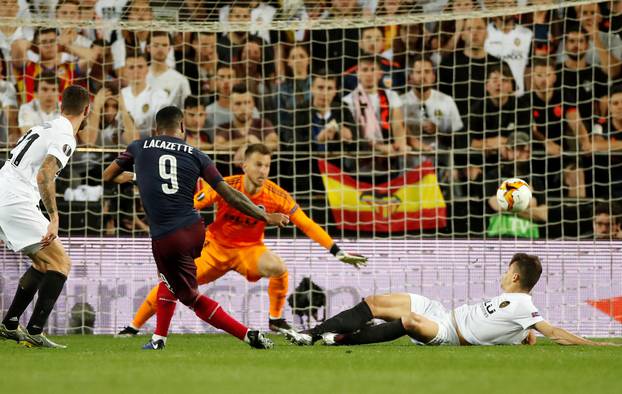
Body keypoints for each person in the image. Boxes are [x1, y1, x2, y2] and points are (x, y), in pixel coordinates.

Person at [116, 143, 367, 338]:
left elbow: (307, 224)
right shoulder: (225, 185)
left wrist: (337, 251)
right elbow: (192, 203)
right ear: (244, 165)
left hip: (249, 250)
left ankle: (275, 319)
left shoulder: (277, 195)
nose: (263, 171)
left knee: (279, 268)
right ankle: (133, 326)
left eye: (267, 166)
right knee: (171, 282)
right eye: (258, 164)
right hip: (214, 248)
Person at [102, 106, 289, 350]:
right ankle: (159, 339)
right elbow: (230, 195)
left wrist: (138, 176)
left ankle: (249, 335)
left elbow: (107, 175)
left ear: (155, 130)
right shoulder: (196, 154)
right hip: (195, 229)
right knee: (170, 282)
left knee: (190, 297)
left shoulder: (139, 146)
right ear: (182, 127)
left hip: (166, 235)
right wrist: (264, 216)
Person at [288, 253, 619, 347]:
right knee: (376, 301)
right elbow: (515, 328)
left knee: (409, 322)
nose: (504, 274)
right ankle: (311, 333)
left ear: (516, 276)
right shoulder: (515, 307)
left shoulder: (525, 307)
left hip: (447, 333)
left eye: (508, 270)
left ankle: (338, 339)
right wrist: (521, 334)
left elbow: (554, 332)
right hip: (443, 312)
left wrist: (594, 345)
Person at [0, 85, 90, 348]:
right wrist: (54, 216)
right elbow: (44, 174)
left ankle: (9, 324)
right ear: (86, 110)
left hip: (5, 192)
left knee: (42, 263)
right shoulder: (65, 135)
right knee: (61, 263)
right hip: (15, 200)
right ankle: (35, 332)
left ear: (61, 106)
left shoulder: (43, 127)